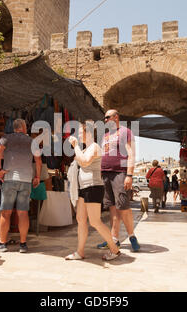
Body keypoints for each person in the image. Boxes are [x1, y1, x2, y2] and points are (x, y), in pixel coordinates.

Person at [66, 122, 121, 261]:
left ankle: (114, 249)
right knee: (80, 220)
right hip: (84, 188)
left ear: (88, 133)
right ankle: (80, 252)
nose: (78, 135)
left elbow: (84, 162)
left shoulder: (95, 147)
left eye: (80, 132)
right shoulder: (86, 149)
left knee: (95, 222)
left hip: (93, 187)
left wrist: (76, 146)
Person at [0, 119, 41, 253]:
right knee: (23, 213)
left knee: (5, 213)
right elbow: (38, 160)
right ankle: (23, 244)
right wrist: (37, 177)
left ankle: (2, 243)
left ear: (14, 128)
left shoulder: (6, 138)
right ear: (24, 128)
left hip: (10, 179)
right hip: (25, 180)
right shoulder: (32, 141)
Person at [97, 109, 141, 252]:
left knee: (123, 206)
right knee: (112, 208)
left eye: (107, 117)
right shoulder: (105, 135)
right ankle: (113, 239)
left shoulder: (125, 131)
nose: (105, 120)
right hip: (105, 174)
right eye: (104, 118)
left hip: (120, 173)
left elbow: (131, 153)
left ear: (116, 117)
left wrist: (129, 175)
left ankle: (132, 236)